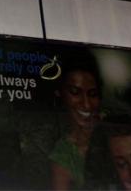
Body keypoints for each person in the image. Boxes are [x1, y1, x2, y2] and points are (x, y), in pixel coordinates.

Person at [48, 52, 102, 190]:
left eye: (92, 94)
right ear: (60, 94)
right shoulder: (63, 156)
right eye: (75, 92)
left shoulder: (111, 137)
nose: (86, 104)